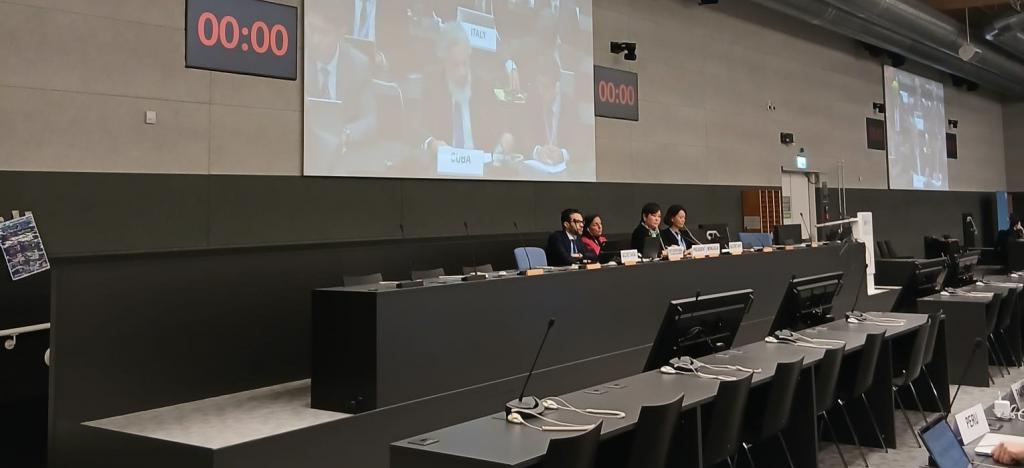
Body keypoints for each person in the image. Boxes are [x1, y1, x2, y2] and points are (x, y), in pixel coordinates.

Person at [416, 23, 514, 159]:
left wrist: (506, 137)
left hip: (480, 164)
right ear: (444, 62)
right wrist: (431, 143)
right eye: (455, 65)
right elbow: (418, 127)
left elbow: (501, 127)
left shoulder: (483, 85)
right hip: (444, 163)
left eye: (465, 63)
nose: (462, 72)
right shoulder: (433, 83)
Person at [305, 6, 377, 165]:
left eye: (324, 33)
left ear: (341, 33)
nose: (315, 39)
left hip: (342, 157)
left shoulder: (359, 64)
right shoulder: (296, 57)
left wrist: (345, 134)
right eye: (311, 28)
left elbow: (371, 119)